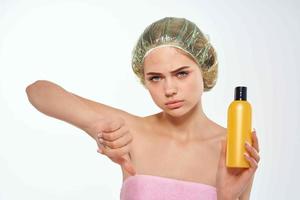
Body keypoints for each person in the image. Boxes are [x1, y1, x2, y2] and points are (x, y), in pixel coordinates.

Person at [26, 17, 260, 200]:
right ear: (144, 79)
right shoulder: (129, 132)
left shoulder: (234, 146)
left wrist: (227, 198)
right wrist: (96, 125)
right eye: (155, 78)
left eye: (181, 73)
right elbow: (38, 91)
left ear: (205, 69)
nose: (169, 89)